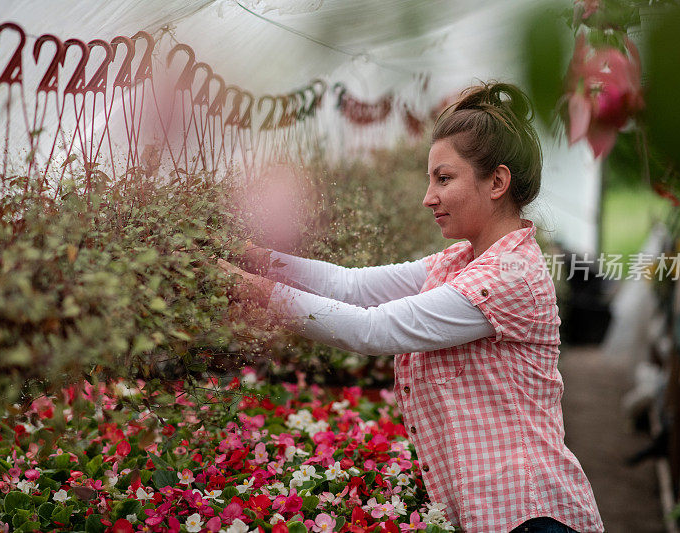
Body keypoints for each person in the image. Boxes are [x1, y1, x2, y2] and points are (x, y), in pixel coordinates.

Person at [218, 82, 604, 533]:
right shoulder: (460, 261)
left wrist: (250, 291)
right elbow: (352, 285)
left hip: (531, 515)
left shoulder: (508, 276)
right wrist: (252, 257)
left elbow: (371, 330)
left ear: (497, 182)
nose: (428, 197)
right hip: (495, 516)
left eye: (443, 178)